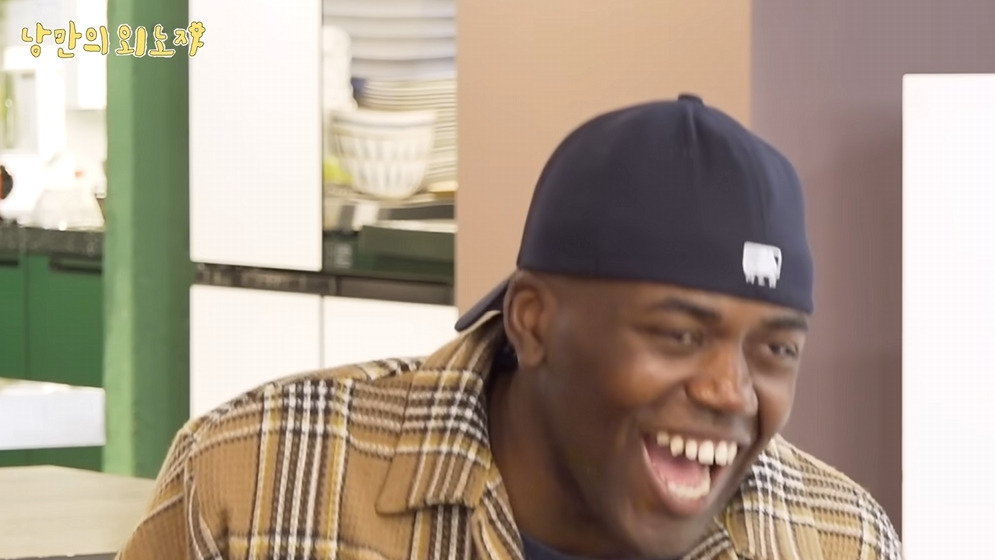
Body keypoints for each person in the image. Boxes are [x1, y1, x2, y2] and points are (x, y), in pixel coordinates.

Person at [117, 95, 902, 560]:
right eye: (679, 335)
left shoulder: (837, 540)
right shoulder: (258, 480)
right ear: (532, 322)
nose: (731, 391)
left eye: (775, 349)